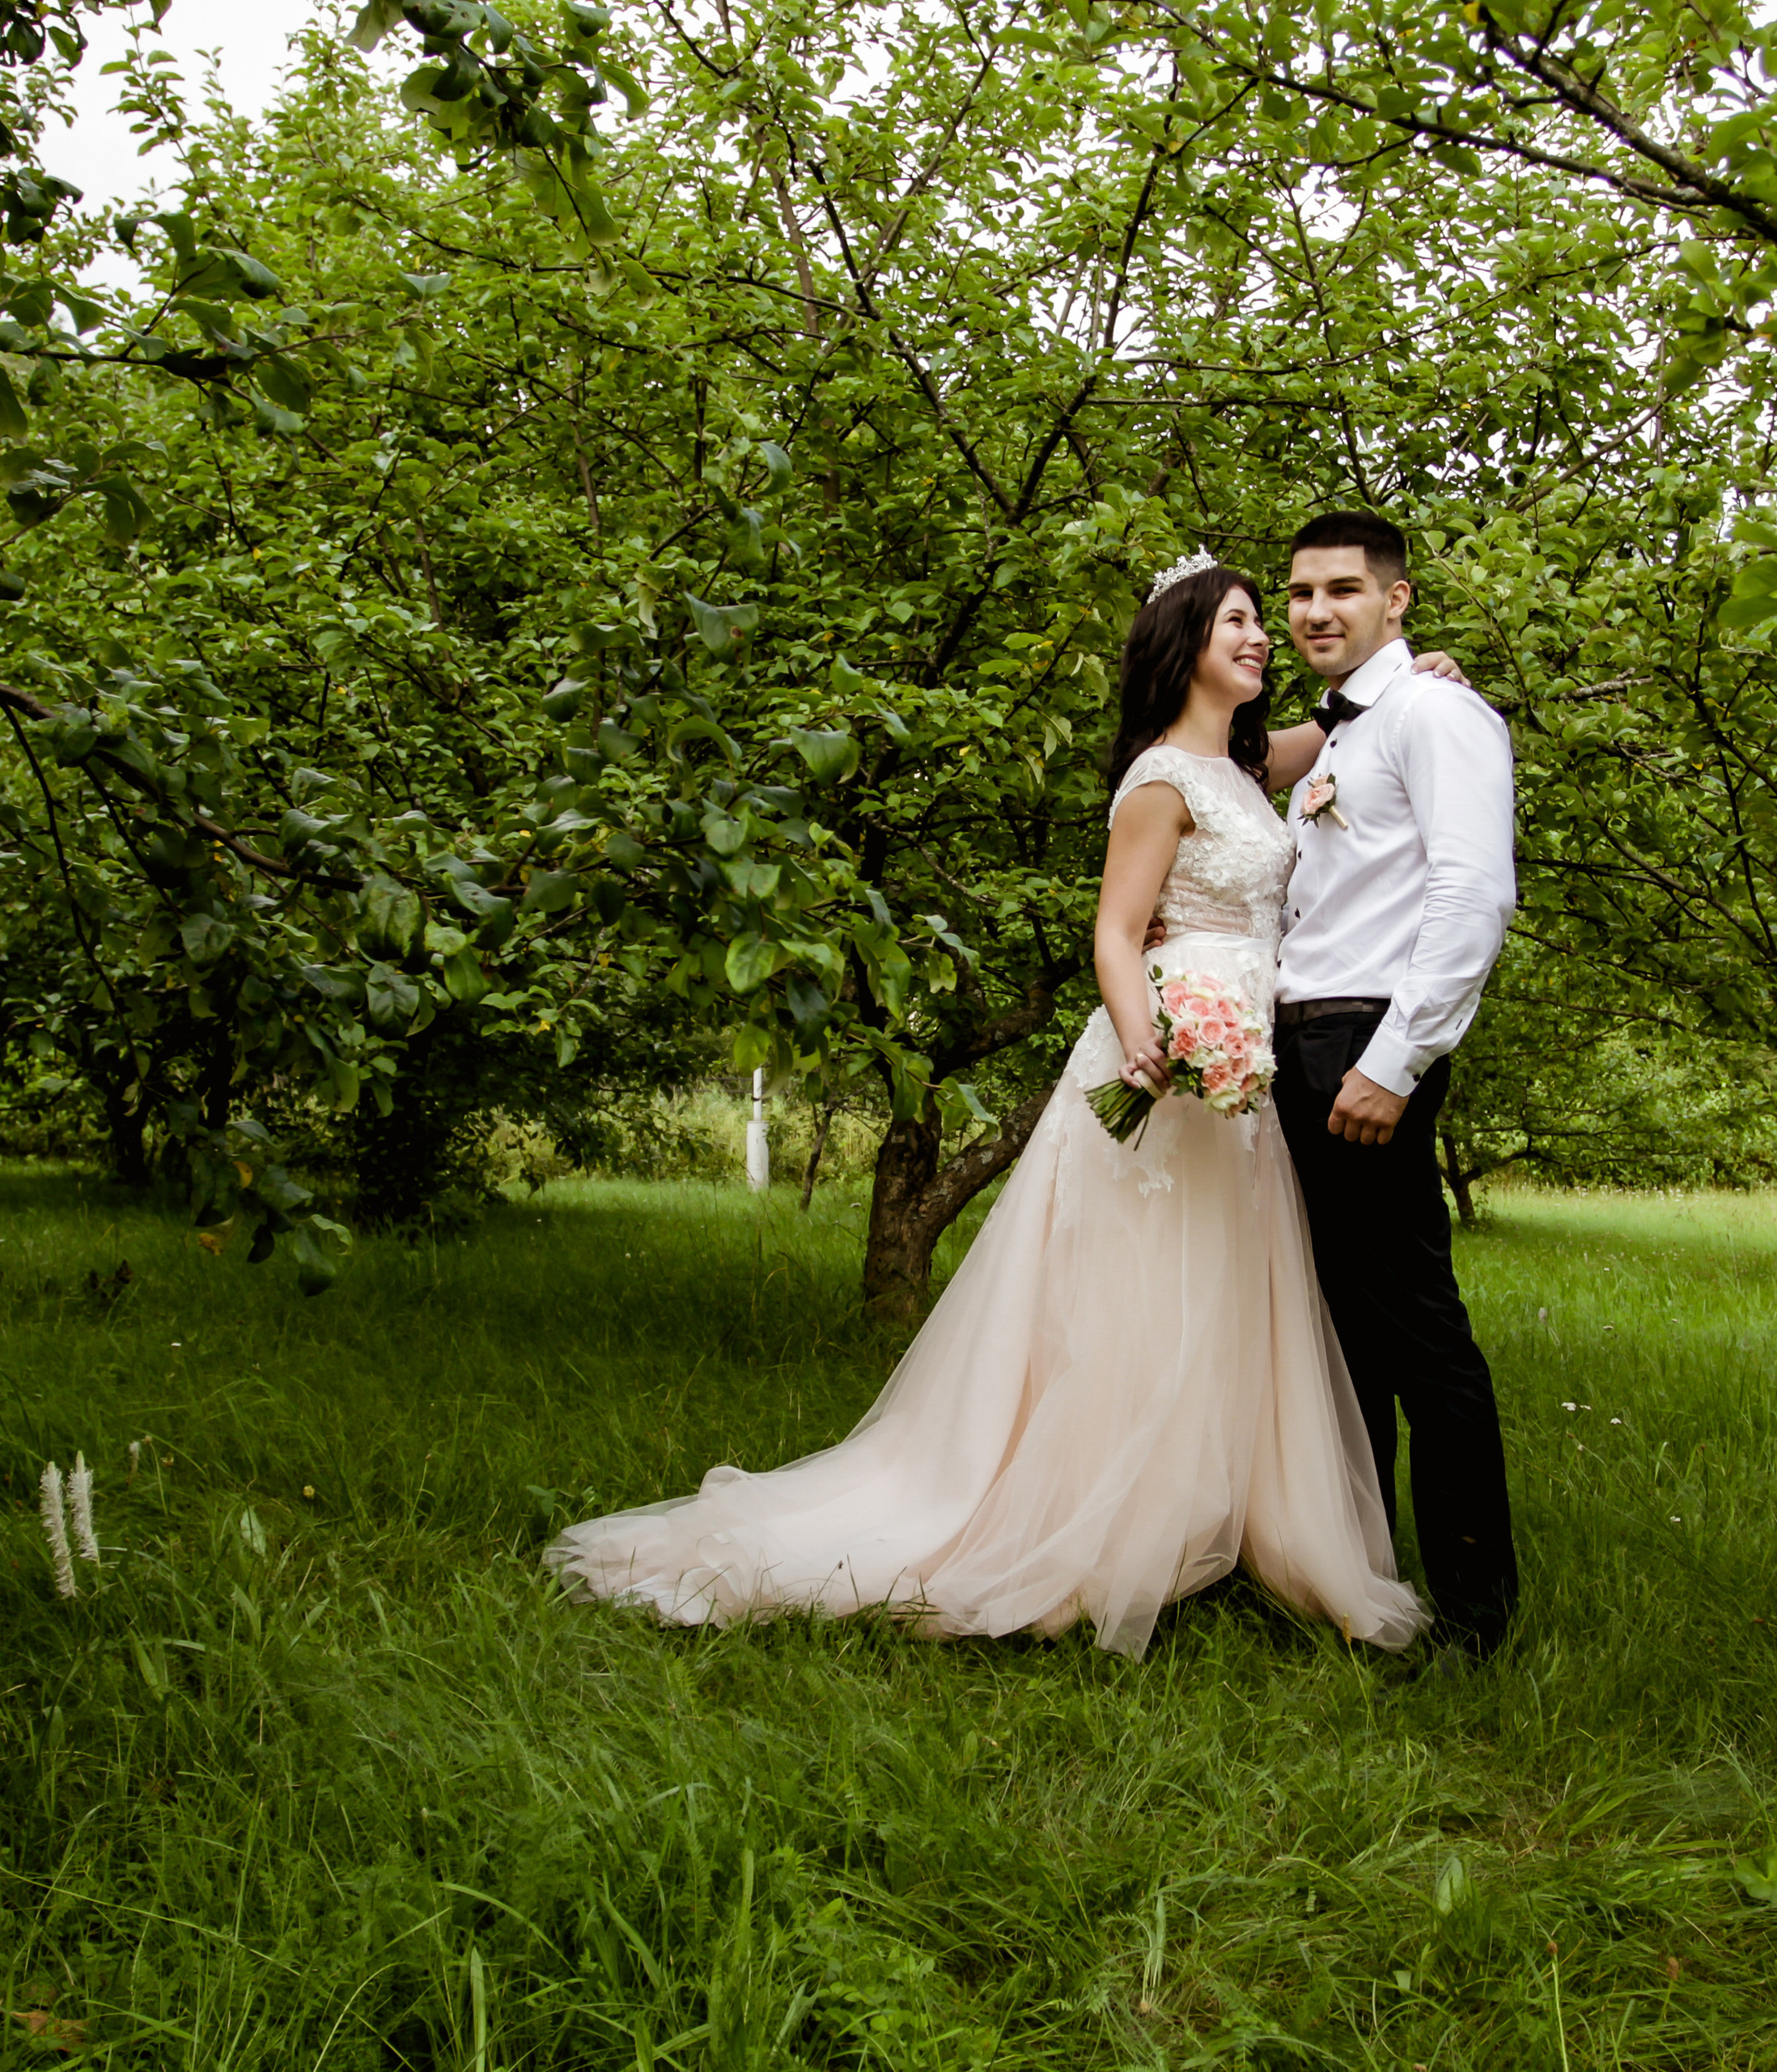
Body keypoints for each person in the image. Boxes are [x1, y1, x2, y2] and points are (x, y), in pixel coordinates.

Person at [545, 554, 1459, 1659]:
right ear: (1185, 645)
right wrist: (1143, 1036)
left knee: (1222, 1301)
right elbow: (1116, 935)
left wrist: (1417, 679)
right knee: (1135, 1306)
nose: (1263, 635)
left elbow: (1350, 727)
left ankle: (1214, 1527)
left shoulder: (1251, 764)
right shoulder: (1163, 778)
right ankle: (1089, 1529)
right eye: (1238, 621)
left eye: (1264, 620)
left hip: (1245, 1077)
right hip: (1164, 1067)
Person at [1270, 512, 1520, 1660]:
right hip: (1300, 1046)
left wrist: (1393, 1063)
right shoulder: (1336, 734)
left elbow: (1473, 896)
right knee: (1346, 1336)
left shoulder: (1436, 712)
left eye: (1341, 590)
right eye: (1299, 594)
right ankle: (1365, 1584)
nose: (1317, 611)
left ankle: (1478, 1620)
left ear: (1397, 598)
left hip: (1367, 1045)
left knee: (1419, 1333)